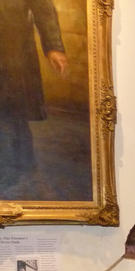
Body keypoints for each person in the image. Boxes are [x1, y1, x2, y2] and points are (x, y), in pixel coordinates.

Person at [0, 0, 68, 190]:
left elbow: (43, 7)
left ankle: (16, 167)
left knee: (11, 111)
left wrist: (54, 46)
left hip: (12, 50)